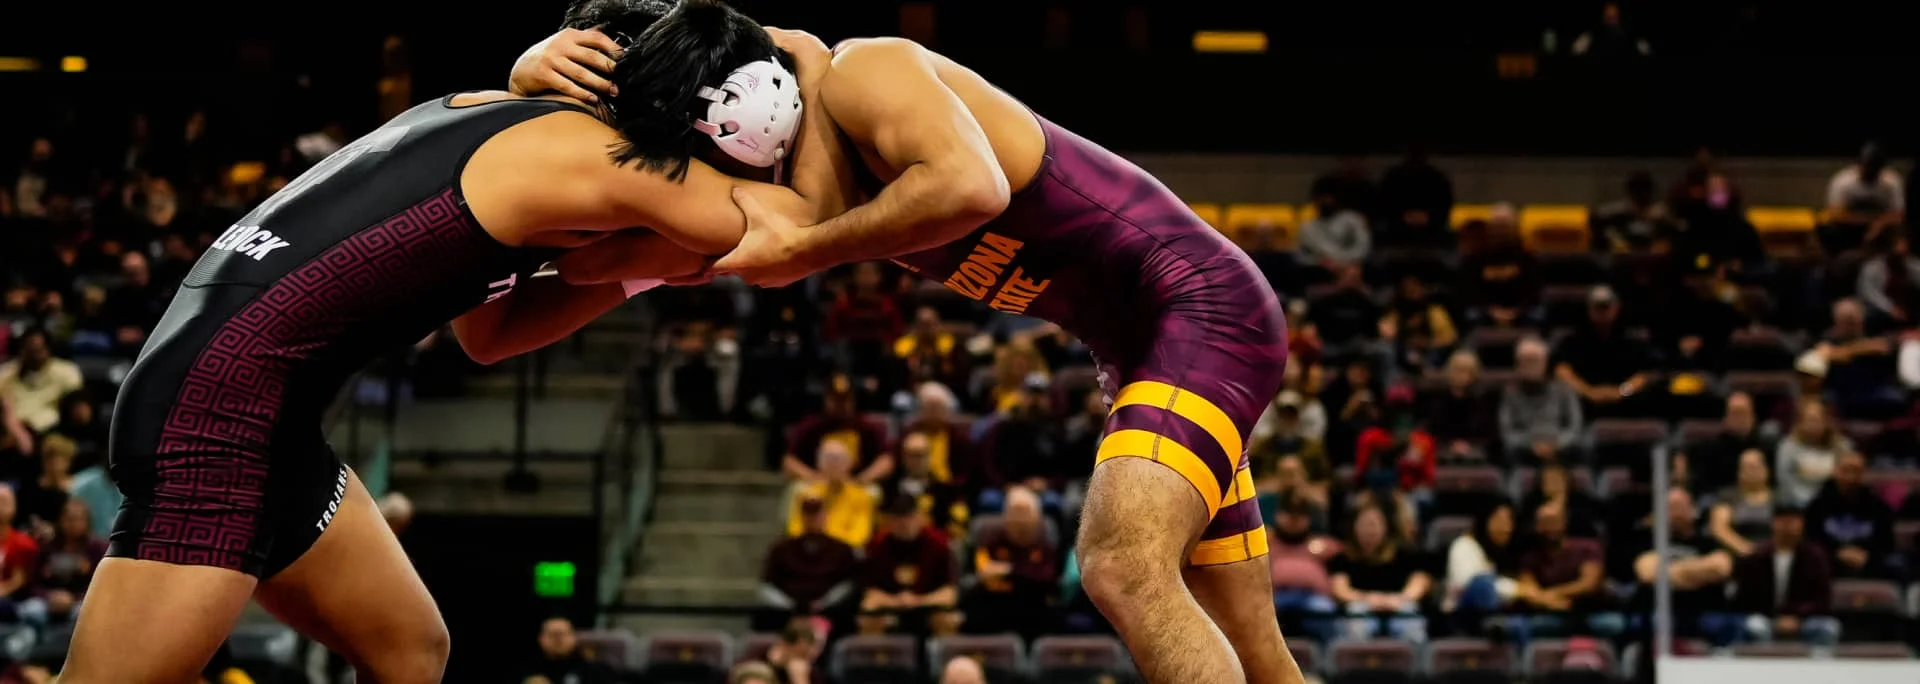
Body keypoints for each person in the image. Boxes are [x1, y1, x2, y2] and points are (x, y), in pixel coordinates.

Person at [64, 2, 847, 681]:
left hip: (259, 414)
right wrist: (812, 64)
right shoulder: (596, 156)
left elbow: (490, 336)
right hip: (217, 419)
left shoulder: (491, 115)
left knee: (410, 652)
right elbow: (796, 228)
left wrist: (642, 268)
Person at [515, 10, 1302, 682]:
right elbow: (584, 257)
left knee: (1123, 567)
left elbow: (973, 188)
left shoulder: (869, 70)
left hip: (1200, 307)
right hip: (1139, 350)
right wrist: (524, 82)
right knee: (1251, 642)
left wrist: (809, 249)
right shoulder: (784, 168)